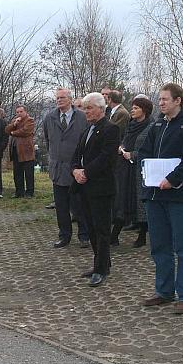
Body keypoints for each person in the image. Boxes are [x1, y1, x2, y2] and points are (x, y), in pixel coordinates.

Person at [137, 83, 183, 314]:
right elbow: (143, 152)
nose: (161, 103)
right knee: (160, 245)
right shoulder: (156, 125)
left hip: (178, 196)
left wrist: (172, 179)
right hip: (155, 195)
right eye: (160, 99)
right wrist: (147, 172)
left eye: (165, 99)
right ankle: (163, 290)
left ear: (178, 101)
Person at [71, 92, 120, 286]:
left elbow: (106, 157)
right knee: (90, 227)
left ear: (101, 108)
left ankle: (101, 269)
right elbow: (77, 154)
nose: (86, 112)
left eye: (89, 108)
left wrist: (86, 173)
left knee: (101, 229)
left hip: (100, 186)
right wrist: (75, 170)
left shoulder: (111, 129)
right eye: (84, 108)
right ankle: (101, 262)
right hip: (84, 186)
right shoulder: (87, 130)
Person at [44, 87, 89, 248]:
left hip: (76, 168)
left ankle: (84, 235)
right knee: (61, 206)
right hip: (57, 168)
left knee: (79, 205)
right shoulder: (49, 118)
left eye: (62, 97)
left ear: (70, 99)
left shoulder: (82, 117)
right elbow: (48, 140)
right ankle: (64, 235)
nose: (59, 100)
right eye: (57, 98)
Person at [116, 96, 154, 248]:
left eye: (136, 108)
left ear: (144, 110)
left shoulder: (150, 127)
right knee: (125, 199)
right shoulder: (131, 125)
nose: (132, 110)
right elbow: (125, 140)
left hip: (141, 170)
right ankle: (121, 229)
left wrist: (133, 154)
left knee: (140, 202)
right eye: (132, 107)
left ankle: (142, 235)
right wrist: (122, 148)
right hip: (126, 168)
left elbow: (150, 150)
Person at [6, 105, 35, 198]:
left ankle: (29, 192)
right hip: (15, 151)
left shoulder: (29, 120)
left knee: (28, 173)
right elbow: (7, 130)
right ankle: (19, 191)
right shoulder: (15, 120)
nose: (19, 113)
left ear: (25, 112)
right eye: (17, 112)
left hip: (26, 151)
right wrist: (14, 124)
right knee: (17, 173)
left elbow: (25, 131)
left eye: (21, 111)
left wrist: (14, 133)